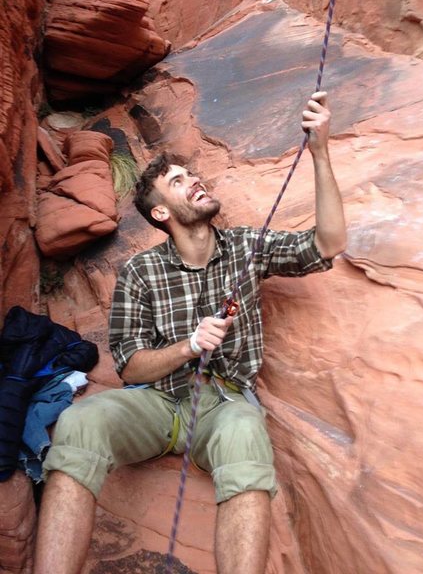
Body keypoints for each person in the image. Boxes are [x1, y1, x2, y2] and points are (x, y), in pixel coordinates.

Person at [33, 91, 346, 574]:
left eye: (192, 175)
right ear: (161, 213)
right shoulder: (140, 272)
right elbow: (131, 364)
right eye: (179, 182)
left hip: (223, 405)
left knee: (246, 427)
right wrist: (189, 345)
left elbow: (329, 242)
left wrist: (321, 151)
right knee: (80, 421)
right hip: (156, 402)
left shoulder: (246, 246)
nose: (195, 181)